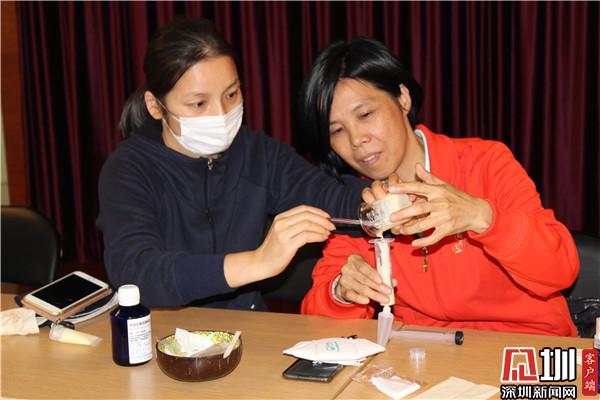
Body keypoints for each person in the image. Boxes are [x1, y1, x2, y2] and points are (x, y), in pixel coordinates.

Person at [299, 37, 579, 336]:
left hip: (523, 346)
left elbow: (560, 270)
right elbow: (316, 325)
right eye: (337, 130)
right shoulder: (355, 200)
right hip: (426, 354)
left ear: (402, 98)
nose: (356, 140)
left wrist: (484, 217)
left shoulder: (484, 162)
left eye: (366, 115)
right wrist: (341, 292)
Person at [96, 18, 369, 309]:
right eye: (199, 103)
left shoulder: (257, 152)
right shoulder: (128, 169)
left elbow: (331, 196)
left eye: (231, 94)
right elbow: (137, 272)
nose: (221, 113)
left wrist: (382, 203)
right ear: (155, 106)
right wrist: (258, 262)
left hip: (247, 328)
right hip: (164, 330)